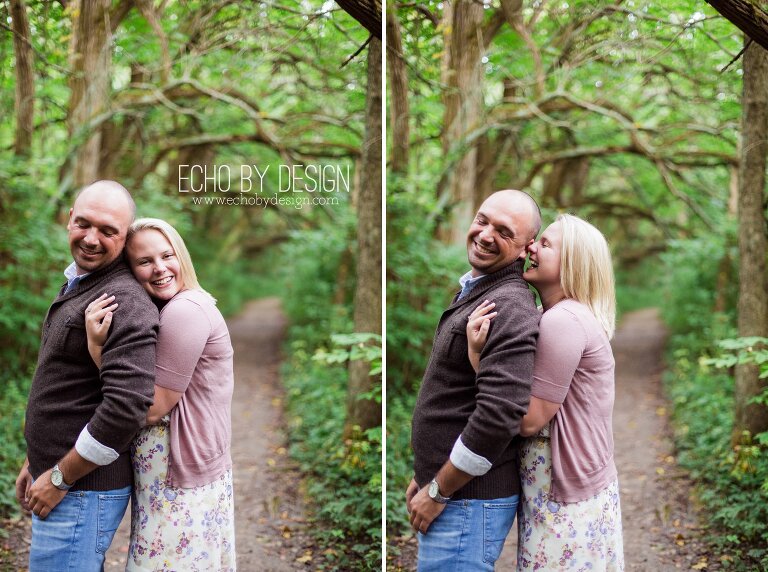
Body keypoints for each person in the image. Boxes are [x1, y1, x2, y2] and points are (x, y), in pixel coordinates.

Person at [15, 181, 159, 572]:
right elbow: (71, 388)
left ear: (125, 237)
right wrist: (36, 459)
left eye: (108, 231)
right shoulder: (80, 284)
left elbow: (125, 409)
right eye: (84, 223)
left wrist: (60, 476)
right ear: (69, 221)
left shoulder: (123, 302)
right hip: (62, 478)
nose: (91, 239)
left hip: (81, 489)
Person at [467, 213, 625, 570]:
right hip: (577, 486)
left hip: (566, 497)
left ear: (572, 263)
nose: (531, 247)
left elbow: (526, 420)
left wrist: (476, 356)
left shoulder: (563, 321)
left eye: (546, 243)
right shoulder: (561, 314)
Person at [85, 217, 236, 571]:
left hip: (179, 478)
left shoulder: (185, 311)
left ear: (181, 255)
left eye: (166, 256)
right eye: (144, 261)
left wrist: (96, 347)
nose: (159, 269)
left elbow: (150, 408)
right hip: (184, 475)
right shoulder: (179, 307)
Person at [407, 190, 542, 571]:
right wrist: (425, 472)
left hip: (466, 499)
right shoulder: (479, 289)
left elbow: (499, 416)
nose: (485, 235)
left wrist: (439, 489)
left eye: (504, 231)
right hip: (454, 492)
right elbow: (458, 395)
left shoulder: (509, 308)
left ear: (525, 248)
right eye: (483, 220)